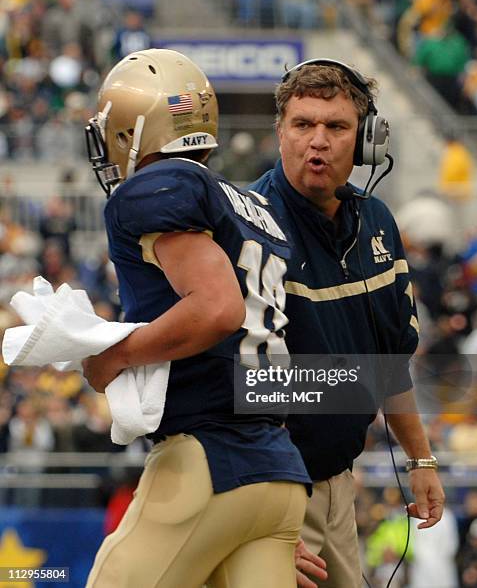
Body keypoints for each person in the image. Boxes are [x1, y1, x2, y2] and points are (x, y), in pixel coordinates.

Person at [81, 48, 313, 588]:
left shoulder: (158, 187)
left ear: (133, 128)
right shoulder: (252, 210)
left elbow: (216, 308)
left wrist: (113, 356)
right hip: (275, 473)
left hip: (207, 461)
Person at [248, 58, 446, 588]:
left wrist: (420, 462)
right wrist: (263, 523)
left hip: (339, 485)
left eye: (336, 127)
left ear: (365, 141)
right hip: (273, 493)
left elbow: (388, 365)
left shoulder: (378, 221)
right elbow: (230, 393)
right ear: (281, 132)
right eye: (303, 124)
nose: (318, 141)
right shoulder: (247, 227)